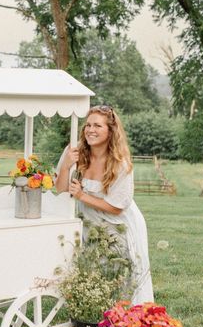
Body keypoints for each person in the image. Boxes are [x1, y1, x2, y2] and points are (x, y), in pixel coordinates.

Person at [55, 104, 154, 304]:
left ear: (111, 131)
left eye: (98, 126)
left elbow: (117, 207)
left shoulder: (120, 163)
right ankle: (94, 315)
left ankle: (125, 319)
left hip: (118, 225)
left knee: (120, 273)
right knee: (93, 270)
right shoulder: (74, 153)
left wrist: (82, 196)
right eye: (88, 125)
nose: (91, 130)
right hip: (90, 223)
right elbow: (61, 189)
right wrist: (66, 166)